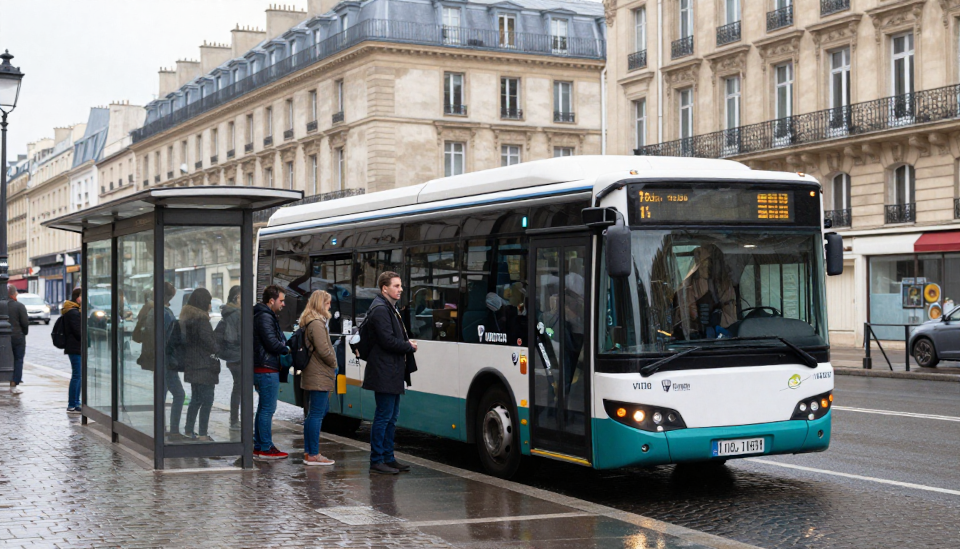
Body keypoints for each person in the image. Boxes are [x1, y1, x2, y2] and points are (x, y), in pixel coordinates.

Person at [362, 271, 418, 475]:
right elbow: (386, 340)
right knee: (383, 416)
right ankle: (377, 459)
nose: (400, 289)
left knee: (392, 417)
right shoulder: (380, 309)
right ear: (384, 288)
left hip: (392, 370)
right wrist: (408, 345)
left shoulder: (389, 308)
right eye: (396, 286)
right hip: (384, 371)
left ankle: (388, 457)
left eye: (400, 285)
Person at [299, 290, 338, 466]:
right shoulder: (316, 323)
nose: (330, 306)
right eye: (328, 303)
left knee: (314, 414)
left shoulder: (311, 321)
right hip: (319, 373)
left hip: (314, 372)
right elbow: (324, 350)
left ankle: (309, 452)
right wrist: (334, 362)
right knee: (317, 414)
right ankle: (313, 454)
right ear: (320, 303)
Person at [253, 285, 290, 460]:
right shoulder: (265, 317)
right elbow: (271, 343)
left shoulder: (263, 315)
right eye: (281, 300)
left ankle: (259, 445)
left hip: (264, 367)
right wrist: (286, 348)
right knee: (268, 409)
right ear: (271, 301)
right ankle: (265, 447)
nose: (283, 304)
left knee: (263, 409)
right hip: (266, 368)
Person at [181, 288, 220, 441]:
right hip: (204, 366)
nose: (210, 306)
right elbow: (210, 343)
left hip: (193, 364)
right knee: (207, 399)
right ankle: (203, 433)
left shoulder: (188, 318)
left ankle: (188, 429)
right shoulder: (201, 320)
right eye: (209, 302)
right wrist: (218, 346)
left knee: (196, 399)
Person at [679, 244, 737, 340]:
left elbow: (731, 316)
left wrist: (717, 317)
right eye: (703, 264)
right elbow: (684, 318)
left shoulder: (723, 285)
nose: (707, 267)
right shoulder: (687, 289)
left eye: (710, 264)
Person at [219, 285, 243, 432]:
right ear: (236, 298)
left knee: (238, 388)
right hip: (238, 355)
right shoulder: (236, 314)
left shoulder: (229, 312)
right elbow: (238, 336)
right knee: (239, 388)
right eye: (242, 297)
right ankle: (235, 420)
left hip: (232, 356)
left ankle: (235, 419)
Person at [62, 287, 83, 414]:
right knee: (77, 375)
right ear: (77, 297)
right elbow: (78, 331)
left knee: (77, 375)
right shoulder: (73, 313)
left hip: (74, 347)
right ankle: (72, 403)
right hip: (75, 347)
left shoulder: (73, 311)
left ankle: (75, 402)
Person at [7, 285, 29, 395]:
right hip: (17, 336)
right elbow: (25, 323)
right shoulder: (19, 306)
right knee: (18, 359)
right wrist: (24, 332)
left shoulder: (3, 306)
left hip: (5, 337)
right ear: (14, 294)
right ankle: (14, 383)